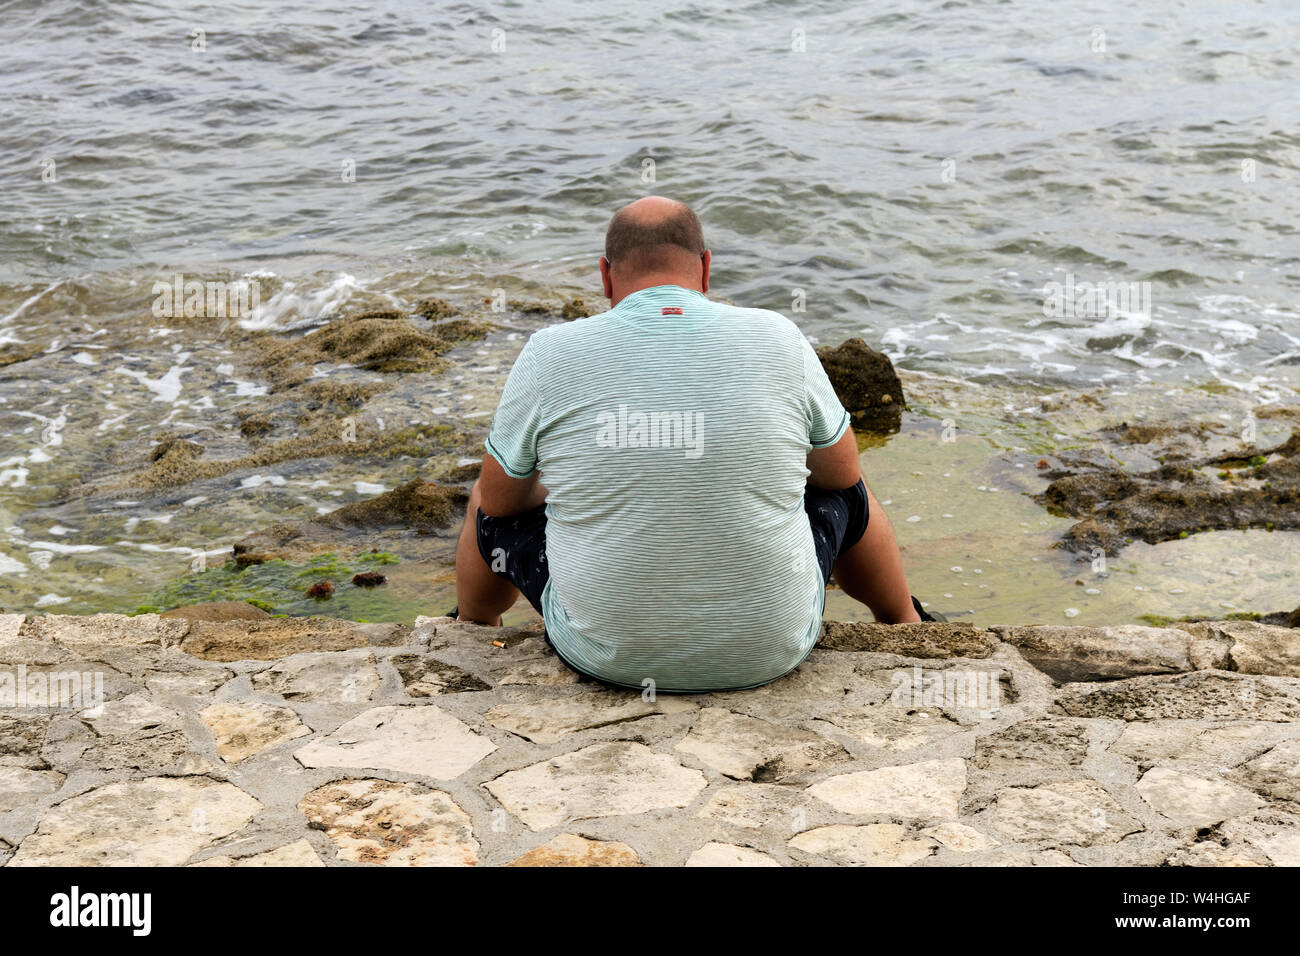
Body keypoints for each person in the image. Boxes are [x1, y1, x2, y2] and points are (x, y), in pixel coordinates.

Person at [454, 196, 924, 693]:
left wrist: (568, 486)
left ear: (604, 275)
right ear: (705, 268)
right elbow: (842, 474)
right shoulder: (778, 336)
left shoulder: (550, 350)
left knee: (485, 496)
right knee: (849, 491)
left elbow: (502, 502)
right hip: (773, 648)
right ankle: (904, 621)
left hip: (603, 654)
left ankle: (474, 629)